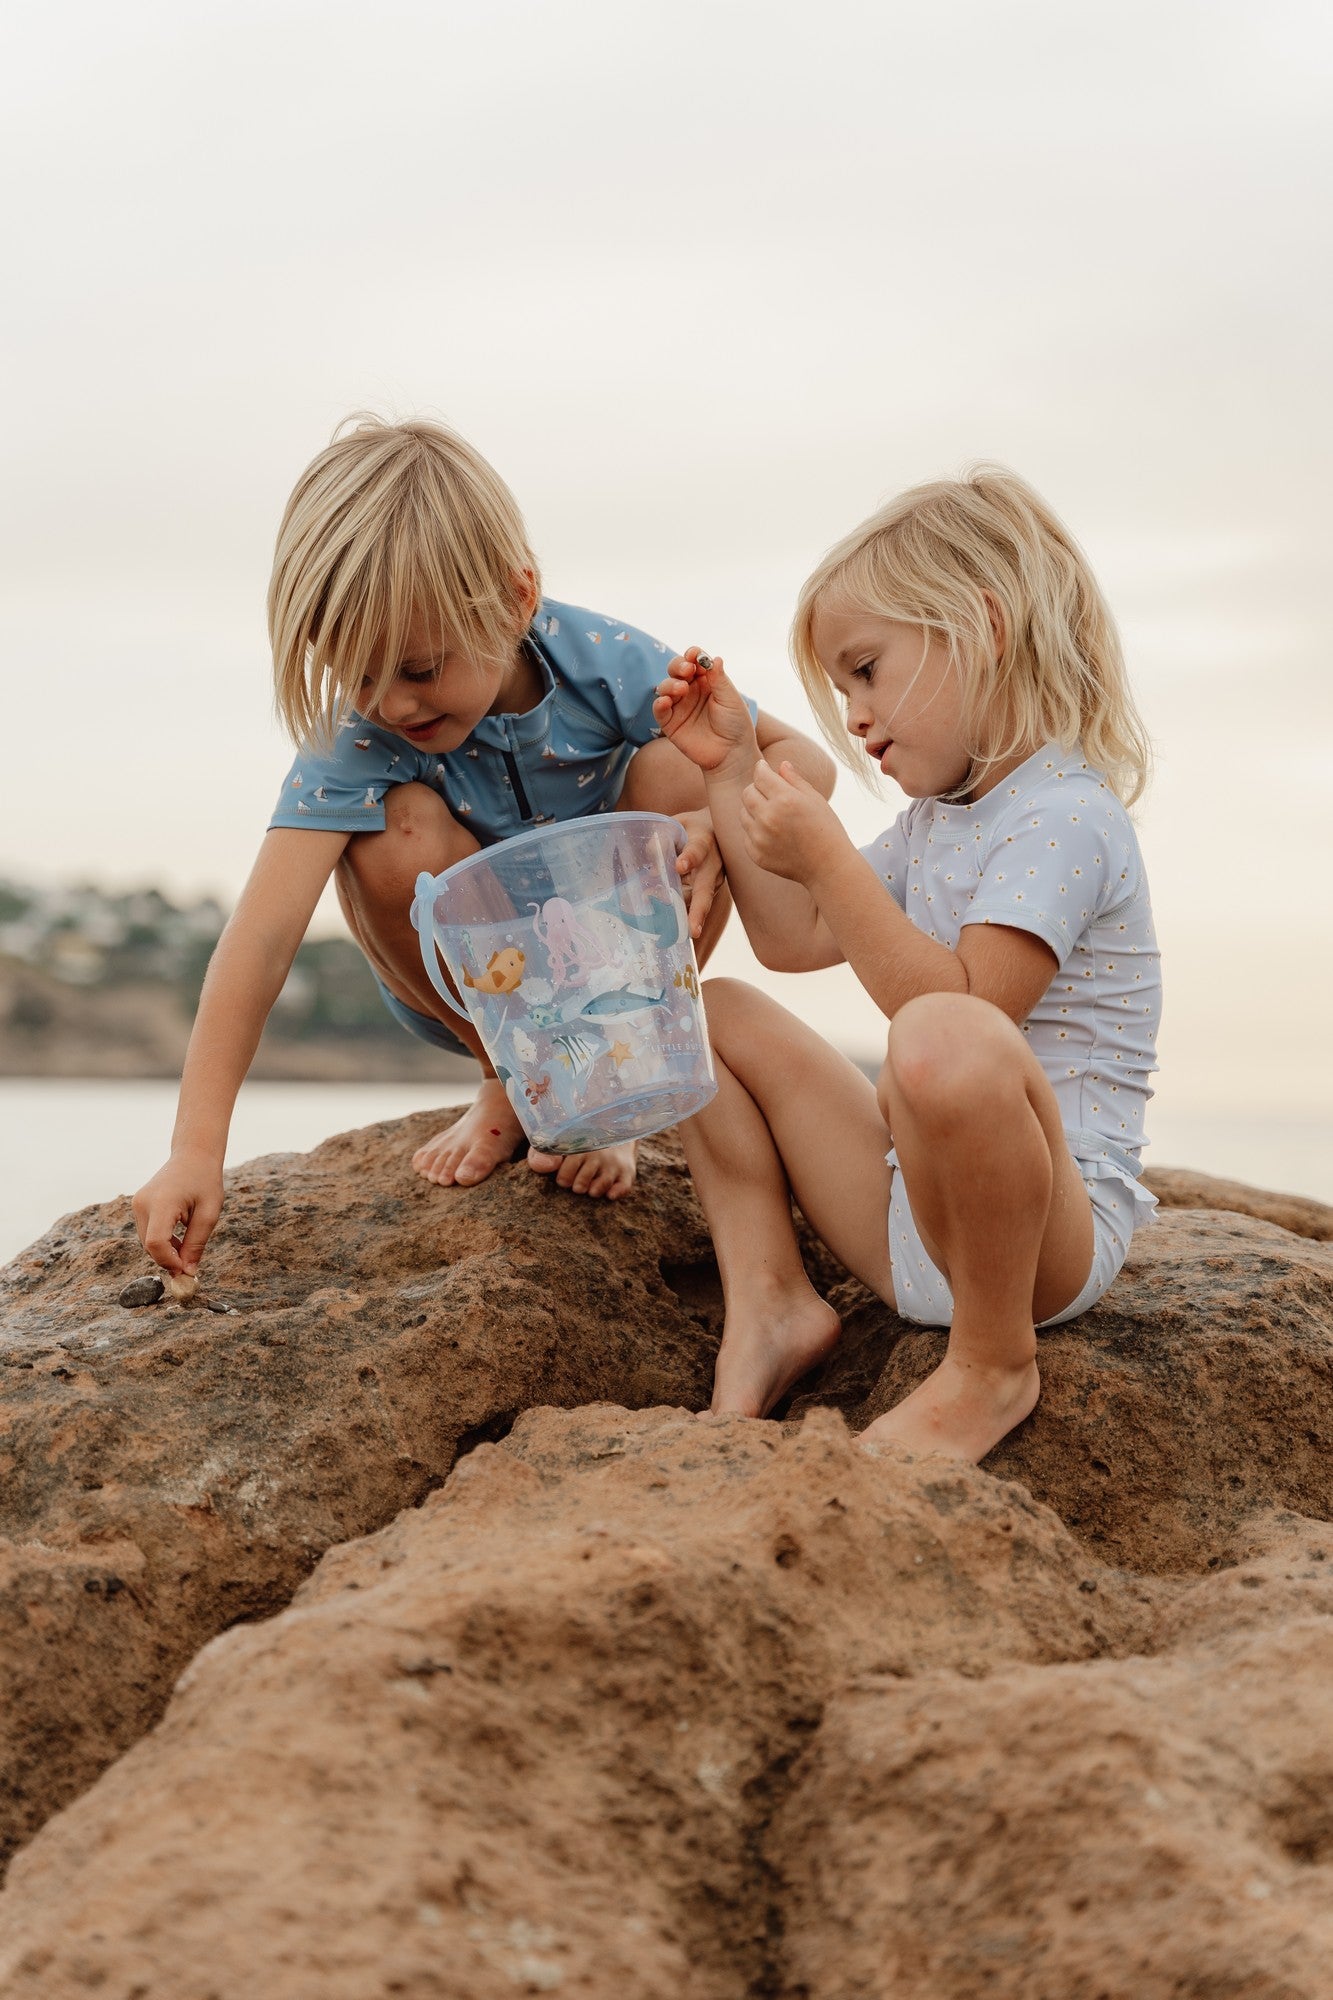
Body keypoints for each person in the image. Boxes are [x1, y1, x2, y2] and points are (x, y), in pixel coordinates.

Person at [134, 416, 833, 1278]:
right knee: (388, 833)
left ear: (514, 599)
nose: (390, 705)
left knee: (683, 763)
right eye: (357, 675)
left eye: (419, 669)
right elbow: (264, 935)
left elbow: (807, 764)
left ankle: (614, 1087)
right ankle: (516, 1085)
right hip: (467, 983)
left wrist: (712, 827)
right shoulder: (357, 739)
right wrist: (195, 1148)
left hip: (613, 948)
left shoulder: (598, 661)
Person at [652, 467, 1160, 1463]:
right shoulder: (938, 824)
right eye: (840, 689)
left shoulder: (1067, 817)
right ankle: (770, 1301)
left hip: (1038, 1251)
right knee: (704, 1010)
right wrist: (729, 771)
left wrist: (831, 854)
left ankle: (989, 1365)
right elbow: (793, 936)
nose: (851, 713)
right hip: (908, 1224)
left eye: (866, 669)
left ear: (981, 625)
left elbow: (967, 1007)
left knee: (942, 1031)